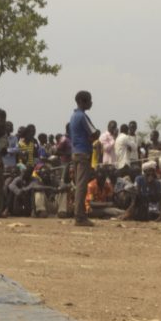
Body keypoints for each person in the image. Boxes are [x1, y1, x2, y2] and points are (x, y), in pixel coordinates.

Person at [67, 91, 99, 226]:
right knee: (81, 186)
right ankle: (80, 216)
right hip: (83, 153)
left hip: (75, 152)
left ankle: (79, 214)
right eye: (89, 100)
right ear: (83, 101)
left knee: (79, 185)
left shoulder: (73, 116)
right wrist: (94, 135)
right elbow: (95, 133)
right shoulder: (82, 116)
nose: (91, 103)